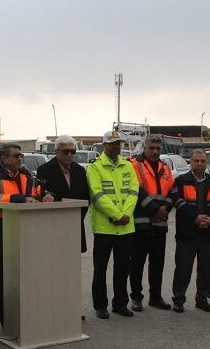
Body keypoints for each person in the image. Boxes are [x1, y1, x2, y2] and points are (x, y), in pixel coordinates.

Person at [0, 143, 53, 325]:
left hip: (25, 235)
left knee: (24, 280)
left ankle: (25, 316)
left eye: (21, 156)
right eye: (16, 156)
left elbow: (37, 193)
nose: (20, 159)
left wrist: (47, 195)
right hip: (0, 236)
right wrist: (21, 199)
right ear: (4, 158)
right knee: (3, 281)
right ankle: (5, 318)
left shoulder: (26, 175)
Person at [87, 130, 139, 319]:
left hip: (126, 227)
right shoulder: (94, 167)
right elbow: (97, 195)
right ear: (104, 145)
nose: (117, 147)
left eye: (119, 143)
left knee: (123, 269)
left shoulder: (128, 165)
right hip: (104, 228)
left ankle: (120, 303)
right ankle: (100, 305)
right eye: (112, 143)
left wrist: (125, 215)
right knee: (100, 270)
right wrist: (117, 215)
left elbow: (133, 192)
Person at [170, 150, 210, 313]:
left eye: (202, 161)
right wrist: (195, 218)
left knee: (206, 269)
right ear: (190, 162)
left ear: (206, 162)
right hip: (187, 233)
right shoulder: (180, 181)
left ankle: (202, 298)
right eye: (196, 161)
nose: (199, 164)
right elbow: (178, 202)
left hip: (208, 232)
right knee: (183, 269)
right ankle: (178, 299)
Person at [128, 135, 174, 311]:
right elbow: (136, 190)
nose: (155, 151)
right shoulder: (134, 164)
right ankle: (136, 297)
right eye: (151, 148)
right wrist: (156, 209)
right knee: (137, 264)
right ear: (144, 147)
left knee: (157, 264)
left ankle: (155, 297)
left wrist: (165, 209)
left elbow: (172, 191)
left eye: (158, 148)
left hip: (160, 224)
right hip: (140, 222)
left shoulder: (165, 167)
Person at [36, 134, 89, 253]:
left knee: (74, 260)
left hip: (76, 224)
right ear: (56, 152)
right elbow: (41, 197)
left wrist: (77, 217)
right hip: (53, 226)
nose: (69, 154)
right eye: (65, 151)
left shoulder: (80, 171)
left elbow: (86, 197)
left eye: (72, 151)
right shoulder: (44, 170)